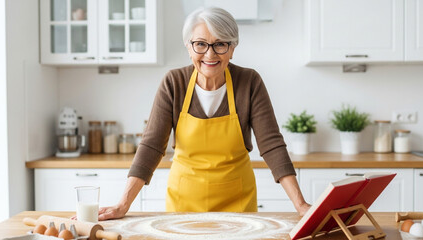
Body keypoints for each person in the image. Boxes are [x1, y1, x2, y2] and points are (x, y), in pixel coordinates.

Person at [98, 7, 310, 220]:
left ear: (232, 48)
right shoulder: (174, 83)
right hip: (183, 206)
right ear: (189, 47)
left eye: (220, 44)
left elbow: (272, 145)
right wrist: (123, 204)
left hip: (238, 206)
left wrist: (300, 205)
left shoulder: (249, 82)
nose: (210, 54)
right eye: (200, 44)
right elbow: (151, 145)